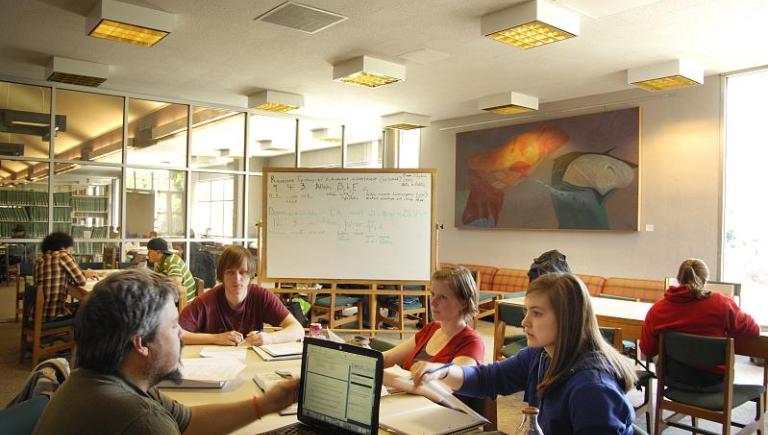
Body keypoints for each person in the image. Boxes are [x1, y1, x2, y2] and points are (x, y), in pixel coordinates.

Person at [33, 269, 298, 435]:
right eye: (173, 327)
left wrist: (267, 404)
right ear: (141, 344)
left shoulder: (104, 379)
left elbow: (189, 422)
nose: (181, 335)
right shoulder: (142, 421)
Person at [412, 273, 637, 435]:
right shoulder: (540, 355)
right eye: (526, 311)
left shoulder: (592, 389)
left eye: (536, 314)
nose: (524, 322)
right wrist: (442, 372)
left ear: (566, 319)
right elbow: (489, 378)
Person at [639, 258, 759, 389]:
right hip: (714, 381)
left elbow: (647, 349)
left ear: (679, 279)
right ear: (705, 280)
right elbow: (754, 330)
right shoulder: (722, 304)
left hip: (673, 378)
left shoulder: (658, 309)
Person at [179, 245, 304, 346]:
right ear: (221, 275)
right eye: (230, 272)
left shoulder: (261, 296)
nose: (237, 279)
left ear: (250, 275)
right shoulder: (205, 301)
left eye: (243, 272)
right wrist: (215, 338)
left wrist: (269, 339)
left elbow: (298, 330)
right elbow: (173, 334)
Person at [383, 265, 484, 371]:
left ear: (463, 303)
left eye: (443, 297)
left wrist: (391, 377)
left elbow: (448, 382)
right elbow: (387, 358)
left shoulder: (472, 343)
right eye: (432, 294)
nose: (433, 302)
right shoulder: (432, 328)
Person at [33, 232, 97, 322]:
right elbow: (81, 281)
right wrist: (84, 275)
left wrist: (83, 274)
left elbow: (56, 277)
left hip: (39, 313)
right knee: (87, 306)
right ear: (63, 246)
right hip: (55, 313)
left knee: (78, 304)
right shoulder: (62, 256)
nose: (69, 250)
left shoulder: (39, 260)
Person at [147, 238, 196, 304]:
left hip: (185, 301)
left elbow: (176, 281)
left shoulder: (171, 260)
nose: (147, 254)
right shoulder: (159, 263)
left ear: (158, 252)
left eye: (149, 251)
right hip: (176, 297)